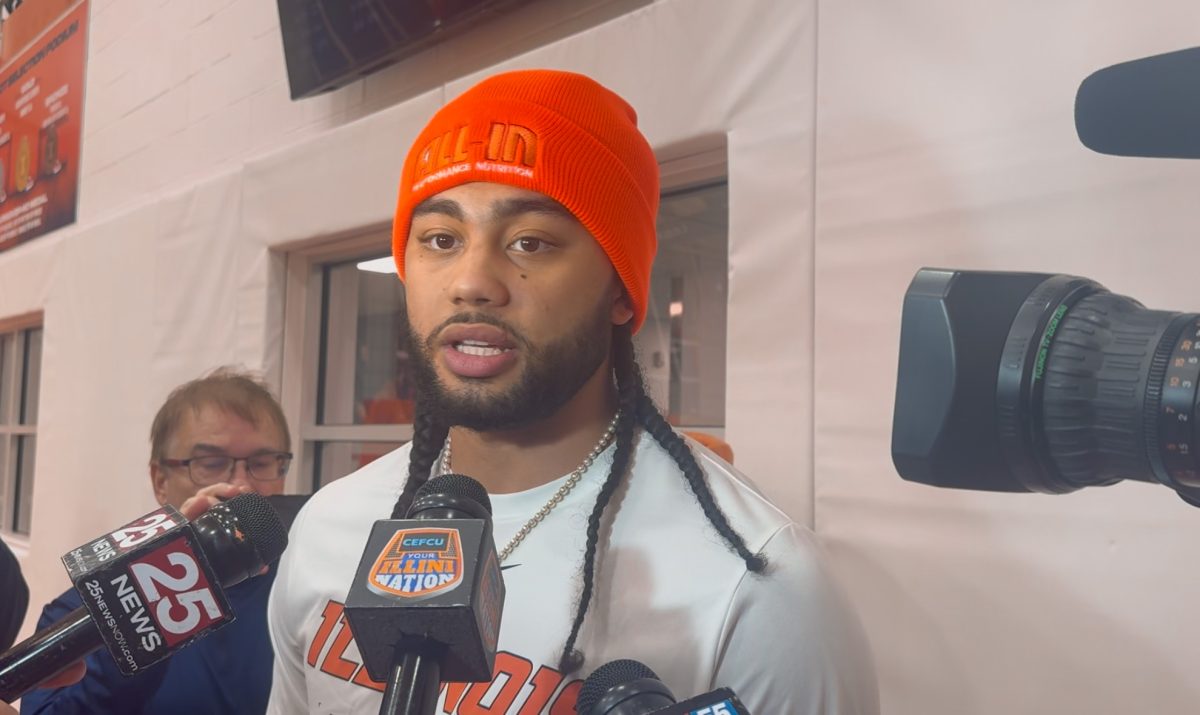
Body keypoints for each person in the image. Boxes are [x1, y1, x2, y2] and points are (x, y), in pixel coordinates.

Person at [267, 69, 878, 714]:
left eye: (531, 241)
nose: (472, 281)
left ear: (620, 290)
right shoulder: (331, 527)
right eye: (441, 240)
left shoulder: (759, 583)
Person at [21, 367, 293, 714]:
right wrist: (142, 612)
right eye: (210, 463)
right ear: (159, 479)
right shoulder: (80, 609)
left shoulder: (307, 591)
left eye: (262, 462)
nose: (241, 485)